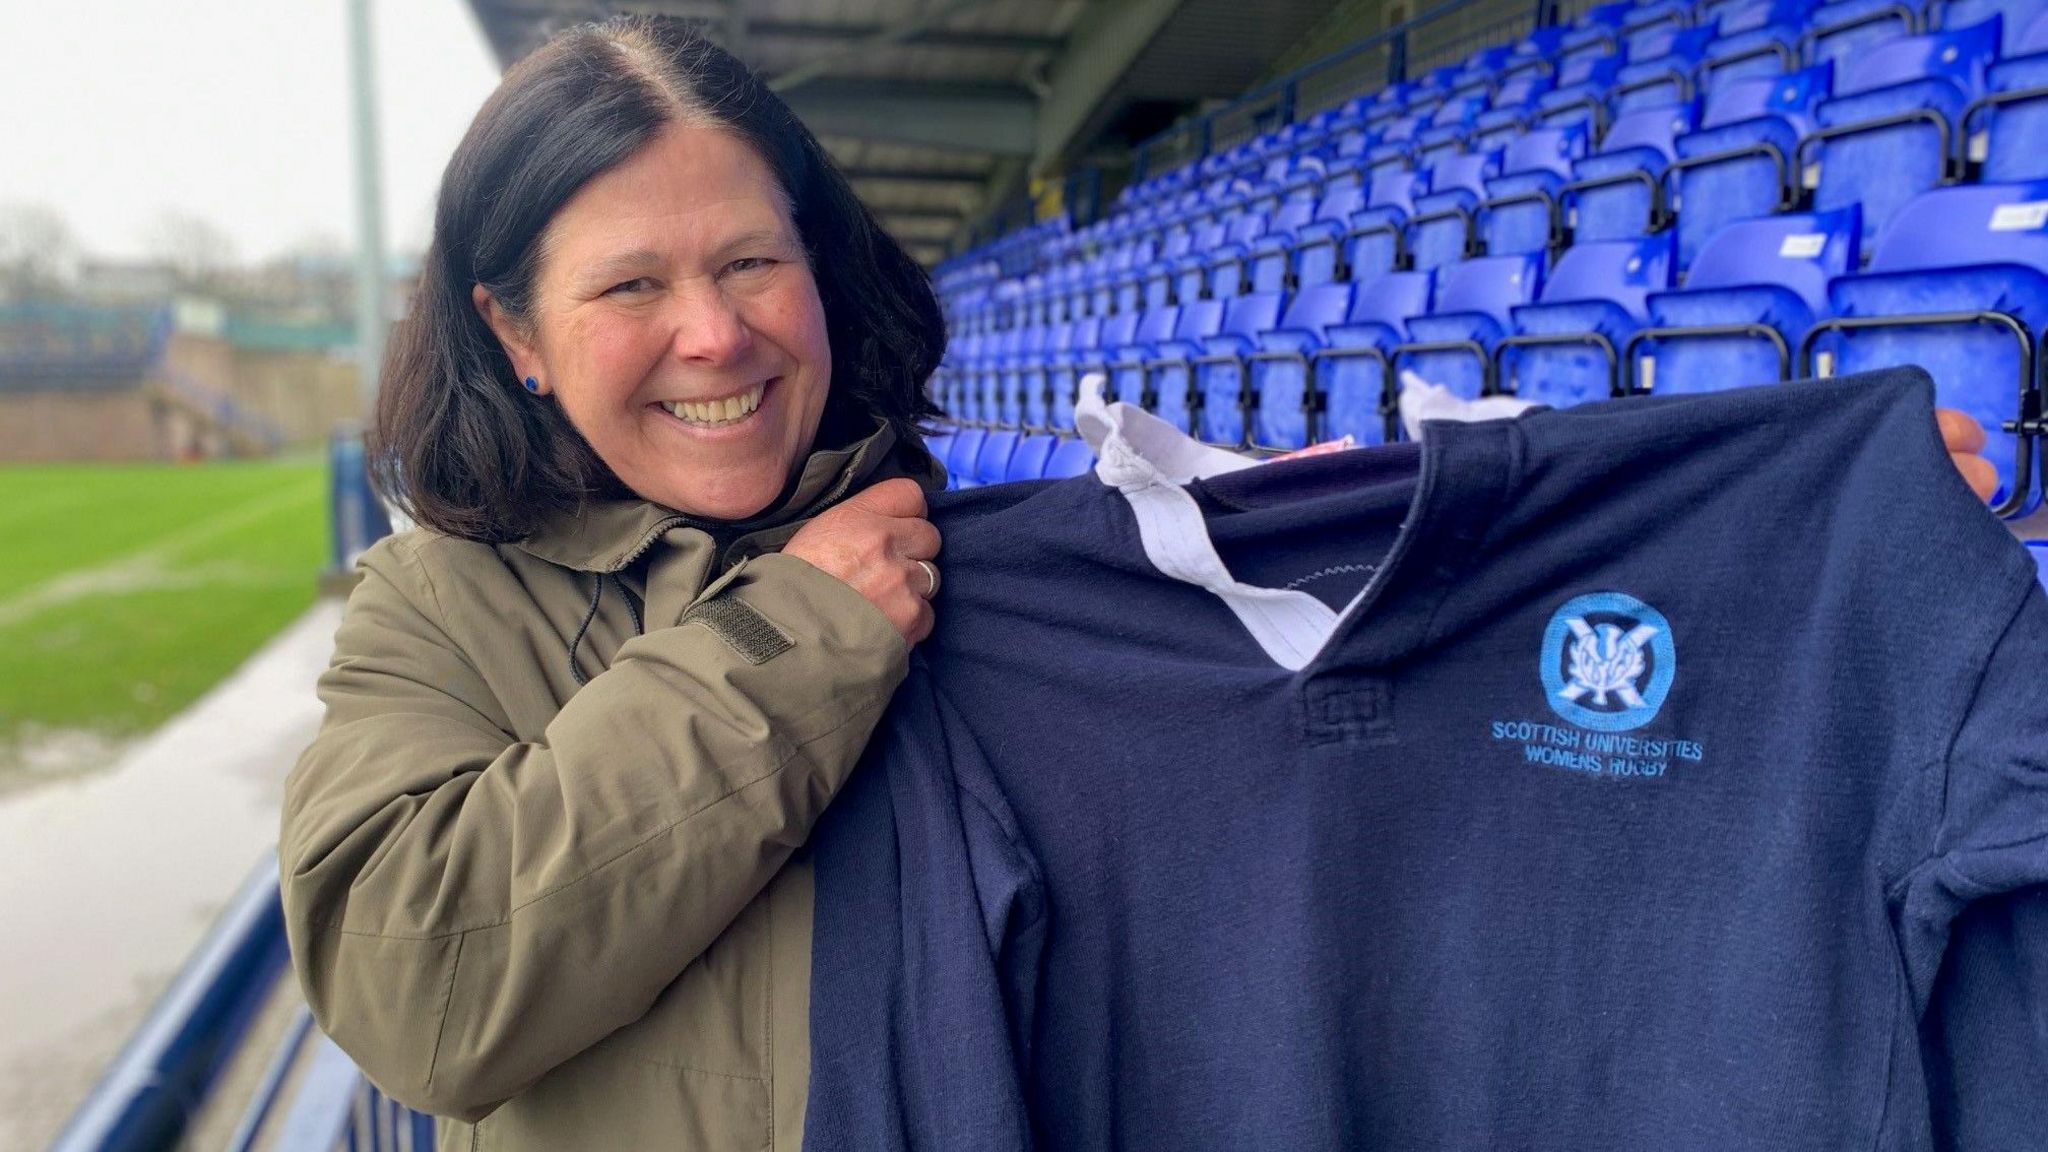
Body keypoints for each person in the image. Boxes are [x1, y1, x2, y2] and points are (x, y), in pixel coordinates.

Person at [278, 14, 2003, 1152]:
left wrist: (1792, 522)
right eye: (628, 285)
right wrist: (800, 633)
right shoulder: (440, 610)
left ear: (821, 266)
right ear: (509, 332)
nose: (713, 332)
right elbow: (422, 986)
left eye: (750, 261)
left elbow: (1313, 500)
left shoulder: (968, 566)